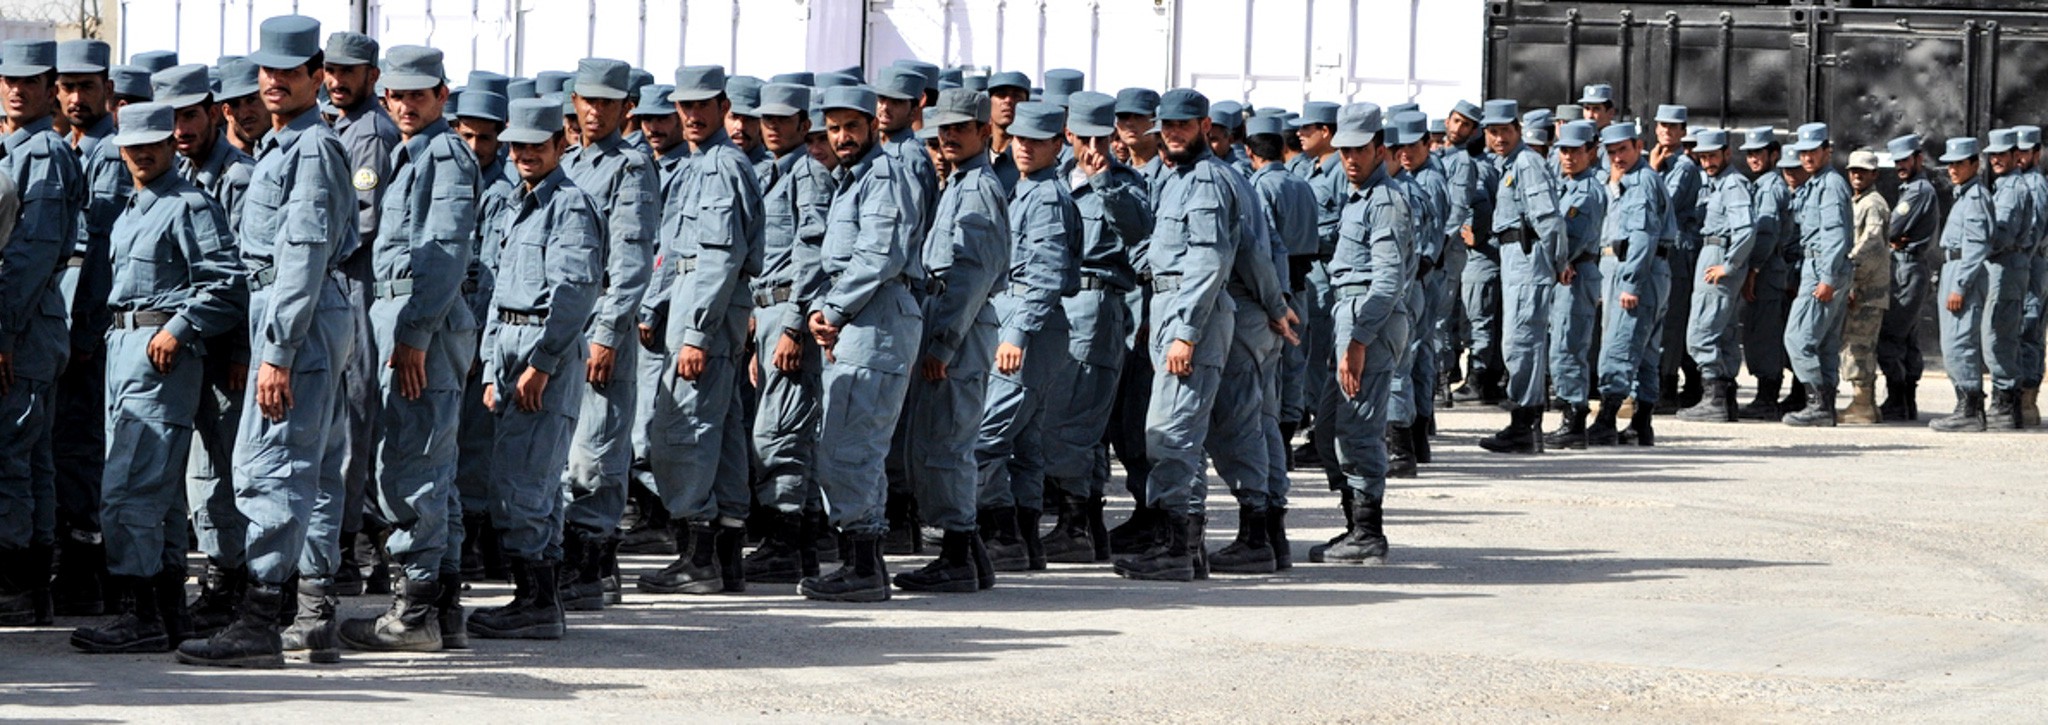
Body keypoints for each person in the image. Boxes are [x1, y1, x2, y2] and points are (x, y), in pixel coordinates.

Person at [176, 16, 357, 667]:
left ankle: (259, 620)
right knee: (308, 468)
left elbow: (303, 254)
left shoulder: (309, 149)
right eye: (267, 72)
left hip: (296, 316)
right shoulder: (287, 145)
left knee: (272, 463)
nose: (275, 82)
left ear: (317, 76)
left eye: (290, 71)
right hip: (299, 310)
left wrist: (276, 349)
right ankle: (311, 614)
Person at [69, 102, 244, 653]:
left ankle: (136, 613)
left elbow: (226, 284)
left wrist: (181, 328)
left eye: (153, 144)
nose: (141, 154)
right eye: (131, 146)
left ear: (171, 145)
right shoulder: (132, 209)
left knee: (129, 489)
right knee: (158, 494)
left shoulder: (188, 205)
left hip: (158, 354)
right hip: (123, 351)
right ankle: (167, 610)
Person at [334, 46, 481, 652]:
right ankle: (442, 612)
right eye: (396, 94)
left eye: (418, 95)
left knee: (413, 464)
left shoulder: (443, 156)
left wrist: (415, 336)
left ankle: (413, 614)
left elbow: (444, 254)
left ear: (443, 97)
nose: (404, 104)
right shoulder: (411, 154)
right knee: (432, 469)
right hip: (406, 317)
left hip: (422, 324)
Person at [462, 97, 605, 639]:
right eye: (517, 145)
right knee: (523, 478)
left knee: (526, 481)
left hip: (544, 349)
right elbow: (499, 287)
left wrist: (541, 363)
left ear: (560, 145)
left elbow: (573, 291)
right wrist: (492, 362)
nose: (524, 154)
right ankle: (536, 597)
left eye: (535, 145)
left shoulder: (568, 206)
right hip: (511, 347)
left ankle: (537, 602)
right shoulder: (518, 204)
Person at [637, 65, 764, 596]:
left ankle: (699, 557)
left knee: (683, 432)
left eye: (701, 106)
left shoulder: (719, 168)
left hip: (705, 315)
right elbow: (674, 253)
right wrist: (653, 306)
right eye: (682, 107)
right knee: (725, 432)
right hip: (692, 307)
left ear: (722, 106)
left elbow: (717, 259)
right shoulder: (697, 165)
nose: (690, 116)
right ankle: (727, 554)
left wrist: (695, 333)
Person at [1112, 89, 1242, 582]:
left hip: (1193, 318)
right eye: (1166, 126)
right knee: (1170, 433)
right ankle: (1185, 547)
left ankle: (1177, 547)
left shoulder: (1205, 182)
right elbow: (1159, 252)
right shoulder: (1177, 179)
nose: (1173, 133)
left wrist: (1185, 332)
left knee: (1173, 436)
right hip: (1170, 308)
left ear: (1205, 126)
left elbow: (1208, 264)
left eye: (1183, 126)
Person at [800, 85, 923, 603]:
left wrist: (832, 310)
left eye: (852, 126)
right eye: (834, 128)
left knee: (848, 450)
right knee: (853, 449)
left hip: (876, 320)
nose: (843, 137)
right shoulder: (850, 180)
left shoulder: (883, 176)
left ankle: (863, 568)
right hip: (858, 322)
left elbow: (877, 256)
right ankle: (862, 562)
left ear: (873, 123)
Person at [893, 88, 1007, 593]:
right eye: (945, 129)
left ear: (984, 132)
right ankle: (972, 556)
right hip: (951, 319)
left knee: (949, 444)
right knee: (941, 439)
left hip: (959, 328)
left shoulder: (978, 188)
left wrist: (942, 344)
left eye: (962, 128)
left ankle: (958, 555)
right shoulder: (960, 183)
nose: (951, 136)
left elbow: (971, 275)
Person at [559, 58, 658, 587]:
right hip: (569, 324)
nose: (595, 112)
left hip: (603, 326)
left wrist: (606, 331)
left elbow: (631, 259)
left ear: (627, 108)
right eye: (587, 101)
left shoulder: (631, 167)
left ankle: (593, 566)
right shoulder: (573, 163)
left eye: (607, 103)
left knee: (598, 446)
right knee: (569, 446)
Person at [972, 101, 1082, 572]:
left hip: (1027, 325)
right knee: (1025, 443)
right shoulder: (1026, 190)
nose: (1025, 147)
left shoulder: (1045, 197)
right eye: (1019, 138)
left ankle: (999, 533)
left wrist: (1016, 332)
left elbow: (1046, 272)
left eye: (1038, 140)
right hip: (1025, 320)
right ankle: (1023, 540)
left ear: (1058, 145)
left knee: (987, 435)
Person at [740, 82, 838, 583]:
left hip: (790, 313)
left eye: (785, 119)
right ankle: (794, 541)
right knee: (776, 427)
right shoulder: (769, 175)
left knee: (779, 432)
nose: (773, 127)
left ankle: (789, 541)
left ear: (805, 125)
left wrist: (794, 327)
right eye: (767, 119)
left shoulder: (809, 176)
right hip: (768, 312)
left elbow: (814, 254)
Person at [1306, 102, 1410, 565]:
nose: (1350, 158)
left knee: (1358, 430)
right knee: (1329, 427)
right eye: (1344, 150)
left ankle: (1369, 532)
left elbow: (1387, 281)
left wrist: (1359, 340)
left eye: (1360, 150)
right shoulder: (1358, 198)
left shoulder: (1384, 203)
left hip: (1370, 320)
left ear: (1380, 151)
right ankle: (1353, 523)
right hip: (1350, 317)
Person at [322, 30, 399, 597]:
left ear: (373, 77)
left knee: (352, 420)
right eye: (331, 70)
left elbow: (359, 223)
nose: (337, 80)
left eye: (350, 72)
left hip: (355, 282)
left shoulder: (370, 132)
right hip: (341, 280)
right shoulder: (339, 125)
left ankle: (348, 545)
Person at [50, 39, 122, 616]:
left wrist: (83, 333)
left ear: (108, 91)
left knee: (82, 448)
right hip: (63, 312)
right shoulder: (67, 147)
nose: (76, 97)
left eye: (87, 87)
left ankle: (88, 574)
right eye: (68, 87)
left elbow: (100, 254)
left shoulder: (111, 152)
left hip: (88, 319)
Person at [1475, 99, 1565, 455]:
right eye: (1493, 132)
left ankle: (1524, 425)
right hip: (1515, 259)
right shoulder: (1510, 164)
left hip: (1528, 260)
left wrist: (1559, 262)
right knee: (1517, 343)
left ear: (1517, 129)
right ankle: (1524, 423)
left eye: (1505, 131)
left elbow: (1547, 220)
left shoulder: (1527, 163)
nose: (1499, 137)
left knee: (1522, 343)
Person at [1589, 122, 1671, 445]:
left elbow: (1641, 238)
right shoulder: (1628, 180)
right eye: (1611, 152)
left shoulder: (1641, 183)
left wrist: (1631, 284)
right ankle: (1642, 423)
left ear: (1639, 146)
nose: (1617, 158)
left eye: (1623, 149)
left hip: (1636, 272)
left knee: (1618, 346)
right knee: (1647, 352)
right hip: (1643, 271)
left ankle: (1607, 420)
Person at [1677, 129, 1755, 423]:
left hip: (1719, 256)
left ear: (1727, 153)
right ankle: (1725, 400)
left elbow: (1745, 230)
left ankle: (1714, 399)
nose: (1708, 162)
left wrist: (1730, 266)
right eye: (1703, 157)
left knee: (1701, 333)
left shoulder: (1732, 184)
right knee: (1722, 333)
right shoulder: (1716, 184)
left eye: (1712, 156)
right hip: (1713, 253)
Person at [1780, 123, 1854, 427]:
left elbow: (1834, 236)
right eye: (1803, 152)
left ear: (1827, 151)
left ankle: (1817, 403)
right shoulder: (1816, 184)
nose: (1807, 157)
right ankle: (1825, 406)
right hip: (1819, 267)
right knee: (1823, 343)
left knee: (1797, 337)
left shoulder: (1830, 185)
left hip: (1824, 267)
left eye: (1813, 151)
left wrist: (1826, 278)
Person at [1542, 120, 1607, 446]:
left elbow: (1573, 238)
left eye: (1575, 151)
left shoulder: (1587, 191)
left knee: (1568, 346)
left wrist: (1560, 260)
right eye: (1563, 151)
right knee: (1561, 344)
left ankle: (1574, 418)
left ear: (1591, 152)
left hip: (1576, 273)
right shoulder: (1568, 185)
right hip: (1565, 271)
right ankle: (1570, 412)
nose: (1568, 157)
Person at [1931, 137, 1995, 432]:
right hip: (1953, 267)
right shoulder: (1963, 195)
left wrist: (1960, 285)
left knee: (1960, 341)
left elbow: (1977, 246)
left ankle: (1970, 409)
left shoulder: (1975, 197)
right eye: (1950, 164)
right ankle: (1964, 404)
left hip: (1963, 271)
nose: (1953, 169)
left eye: (1959, 163)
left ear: (1974, 164)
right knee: (1951, 341)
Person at [1876, 134, 1940, 422]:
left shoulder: (1918, 191)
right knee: (1907, 336)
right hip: (1906, 266)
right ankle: (1905, 400)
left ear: (1918, 159)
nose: (1901, 165)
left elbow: (1890, 229)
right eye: (1897, 161)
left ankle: (1899, 398)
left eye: (1905, 160)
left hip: (1907, 269)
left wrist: (1892, 237)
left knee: (1891, 334)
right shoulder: (1911, 188)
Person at [1649, 105, 1705, 413]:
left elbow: (1661, 204)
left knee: (1671, 321)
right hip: (1667, 247)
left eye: (1674, 127)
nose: (1667, 131)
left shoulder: (1681, 166)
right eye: (1662, 126)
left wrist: (1653, 171)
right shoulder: (1665, 161)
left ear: (1683, 132)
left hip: (1678, 249)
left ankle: (1667, 386)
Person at [1736, 128, 1795, 419]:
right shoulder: (1763, 185)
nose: (1753, 158)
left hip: (1766, 271)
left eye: (1759, 153)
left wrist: (1754, 269)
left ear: (1774, 154)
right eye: (1749, 153)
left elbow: (1767, 232)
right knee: (1760, 330)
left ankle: (1767, 396)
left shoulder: (1770, 188)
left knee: (1764, 333)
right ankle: (1766, 394)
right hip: (1768, 269)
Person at [1983, 129, 2034, 429]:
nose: (1996, 160)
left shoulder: (2012, 190)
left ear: (2017, 156)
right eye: (1993, 155)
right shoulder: (2005, 186)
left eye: (2002, 155)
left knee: (1998, 336)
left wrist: (1976, 242)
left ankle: (2005, 405)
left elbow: (2001, 234)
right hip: (2006, 267)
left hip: (2005, 267)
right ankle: (2006, 403)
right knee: (2001, 335)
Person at [1838, 149, 1892, 424]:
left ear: (1875, 174)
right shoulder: (1858, 201)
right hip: (1864, 287)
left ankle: (1862, 405)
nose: (1856, 175)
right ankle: (1866, 402)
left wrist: (1851, 278)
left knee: (1858, 345)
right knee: (1859, 344)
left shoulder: (1873, 204)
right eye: (1853, 170)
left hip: (1866, 289)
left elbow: (1870, 246)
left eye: (1863, 171)